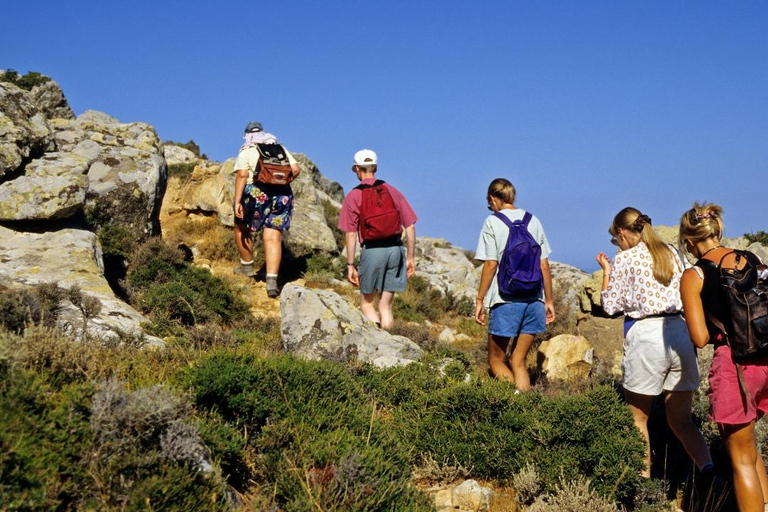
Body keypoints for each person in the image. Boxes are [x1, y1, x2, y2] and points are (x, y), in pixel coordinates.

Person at [596, 207, 714, 480]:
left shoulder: (626, 258)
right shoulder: (672, 252)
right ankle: (709, 471)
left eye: (615, 239)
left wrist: (607, 272)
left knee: (637, 418)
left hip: (647, 335)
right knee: (682, 421)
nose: (617, 244)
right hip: (680, 333)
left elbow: (610, 306)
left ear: (622, 233)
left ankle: (643, 485)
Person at [679, 202, 768, 511]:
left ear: (689, 241)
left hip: (735, 365)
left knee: (741, 459)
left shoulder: (694, 275)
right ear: (717, 230)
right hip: (764, 358)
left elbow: (700, 338)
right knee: (751, 450)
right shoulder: (751, 259)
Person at [474, 178, 555, 391]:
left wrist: (480, 299)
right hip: (534, 301)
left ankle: (513, 402)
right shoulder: (533, 220)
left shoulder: (492, 222)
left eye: (489, 203)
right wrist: (549, 301)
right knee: (518, 361)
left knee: (496, 360)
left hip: (506, 300)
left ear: (493, 198)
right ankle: (525, 403)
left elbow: (491, 264)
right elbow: (544, 266)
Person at [338, 149, 417, 330]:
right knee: (385, 305)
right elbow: (410, 226)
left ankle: (377, 339)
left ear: (357, 169)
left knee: (367, 304)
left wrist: (350, 265)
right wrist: (411, 258)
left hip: (372, 251)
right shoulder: (392, 190)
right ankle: (389, 339)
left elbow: (351, 234)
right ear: (376, 167)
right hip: (395, 250)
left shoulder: (354, 196)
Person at [232, 121, 301, 298]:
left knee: (242, 228)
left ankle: (247, 268)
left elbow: (242, 175)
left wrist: (237, 201)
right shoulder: (279, 148)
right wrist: (281, 182)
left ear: (247, 135)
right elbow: (296, 169)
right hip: (283, 195)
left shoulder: (247, 150)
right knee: (273, 237)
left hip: (257, 194)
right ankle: (271, 283)